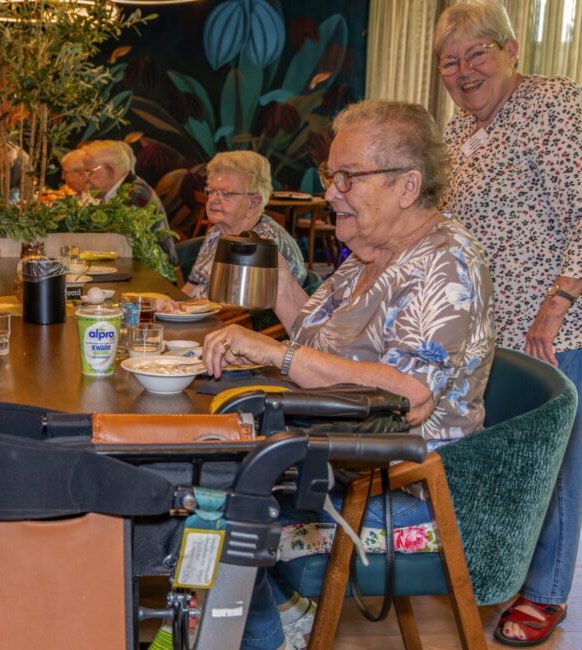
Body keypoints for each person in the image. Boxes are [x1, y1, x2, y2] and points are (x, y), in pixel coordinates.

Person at [199, 100, 496, 649]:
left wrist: (274, 356)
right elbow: (311, 336)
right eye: (329, 176)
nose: (331, 192)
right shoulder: (364, 258)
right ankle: (273, 620)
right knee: (205, 484)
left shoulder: (446, 262)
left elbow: (409, 397)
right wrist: (269, 262)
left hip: (405, 485)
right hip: (340, 459)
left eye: (347, 178)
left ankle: (264, 634)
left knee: (219, 511)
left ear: (407, 186)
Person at [434, 2, 582, 645]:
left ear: (512, 49)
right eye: (449, 61)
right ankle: (497, 574)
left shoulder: (557, 108)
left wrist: (557, 304)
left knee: (553, 465)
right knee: (504, 463)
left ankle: (546, 593)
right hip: (483, 332)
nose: (464, 71)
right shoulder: (455, 134)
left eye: (477, 54)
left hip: (549, 328)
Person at [179, 151, 306, 300]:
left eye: (226, 193)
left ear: (253, 203)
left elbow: (248, 315)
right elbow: (193, 284)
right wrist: (173, 307)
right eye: (212, 191)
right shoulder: (216, 232)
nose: (213, 199)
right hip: (199, 316)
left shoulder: (266, 243)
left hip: (232, 321)